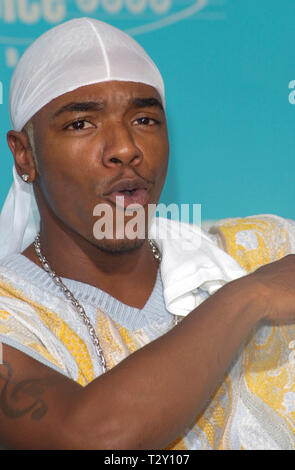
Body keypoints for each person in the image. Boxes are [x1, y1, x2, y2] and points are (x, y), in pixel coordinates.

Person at [0, 17, 294, 450]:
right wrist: (247, 298)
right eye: (81, 123)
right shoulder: (12, 314)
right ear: (25, 156)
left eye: (144, 119)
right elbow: (87, 441)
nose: (125, 148)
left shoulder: (267, 248)